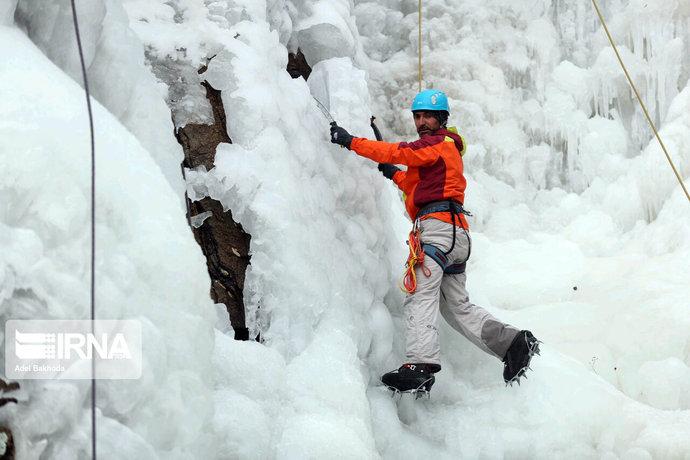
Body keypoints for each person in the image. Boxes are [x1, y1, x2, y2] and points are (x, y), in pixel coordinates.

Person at [329, 89, 539, 393]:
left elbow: (398, 152)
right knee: (456, 308)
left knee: (420, 295)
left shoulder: (436, 143)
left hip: (437, 233)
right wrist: (393, 175)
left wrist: (351, 141)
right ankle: (513, 343)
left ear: (442, 119)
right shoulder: (441, 151)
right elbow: (415, 184)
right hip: (456, 235)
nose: (422, 121)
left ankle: (420, 364)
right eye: (418, 115)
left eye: (429, 115)